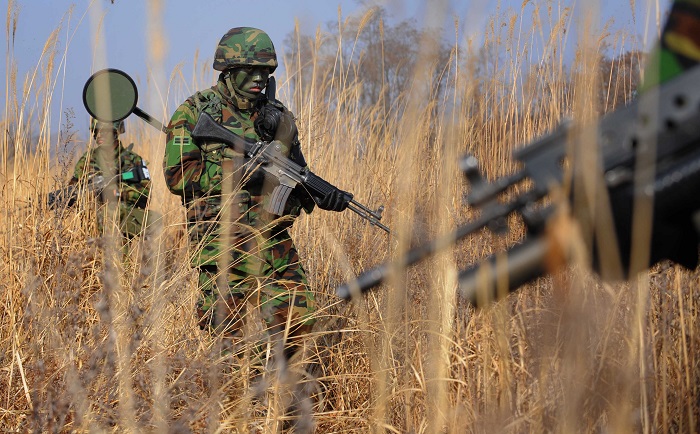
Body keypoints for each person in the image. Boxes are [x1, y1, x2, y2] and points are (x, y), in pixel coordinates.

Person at [163, 27, 351, 363]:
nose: (260, 78)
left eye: (265, 71)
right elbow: (178, 176)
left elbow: (296, 174)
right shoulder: (194, 112)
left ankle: (290, 396)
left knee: (301, 333)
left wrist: (320, 196)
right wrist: (242, 173)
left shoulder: (277, 115)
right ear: (229, 70)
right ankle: (238, 397)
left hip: (274, 243)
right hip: (223, 244)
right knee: (230, 346)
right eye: (251, 70)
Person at [70, 118, 152, 240]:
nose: (99, 135)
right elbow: (73, 188)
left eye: (104, 131)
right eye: (96, 131)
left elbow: (146, 192)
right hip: (93, 224)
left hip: (125, 222)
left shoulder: (133, 160)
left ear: (115, 132)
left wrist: (117, 193)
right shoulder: (87, 160)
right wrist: (87, 196)